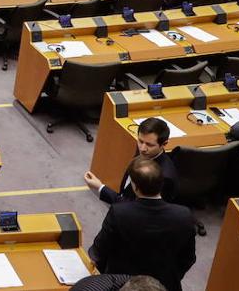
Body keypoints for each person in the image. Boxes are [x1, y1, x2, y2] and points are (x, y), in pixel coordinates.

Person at [87, 158, 196, 291]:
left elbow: (99, 252)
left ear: (135, 187)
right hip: (165, 286)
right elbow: (188, 258)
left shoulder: (119, 213)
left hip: (123, 284)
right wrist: (170, 277)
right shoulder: (184, 215)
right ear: (161, 183)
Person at [84, 117, 178, 204]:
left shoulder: (165, 178)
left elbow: (140, 209)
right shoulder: (146, 152)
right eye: (140, 141)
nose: (142, 148)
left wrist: (100, 187)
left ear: (164, 144)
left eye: (150, 145)